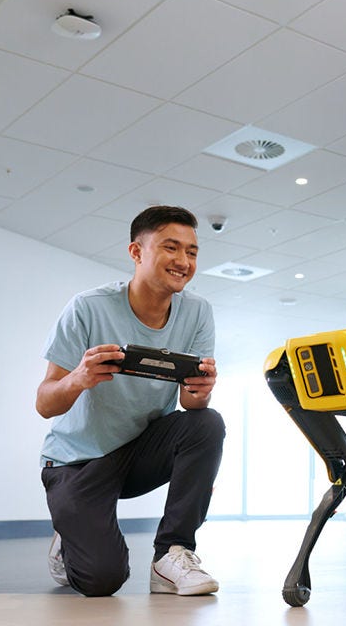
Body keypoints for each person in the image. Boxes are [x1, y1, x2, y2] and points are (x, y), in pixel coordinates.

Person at [35, 205, 226, 597]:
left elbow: (191, 411)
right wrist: (79, 378)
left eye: (192, 252)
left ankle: (171, 554)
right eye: (171, 248)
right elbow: (45, 403)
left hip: (139, 451)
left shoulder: (198, 311)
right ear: (137, 253)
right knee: (101, 580)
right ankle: (68, 535)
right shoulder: (88, 307)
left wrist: (198, 393)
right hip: (76, 461)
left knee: (207, 423)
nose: (183, 261)